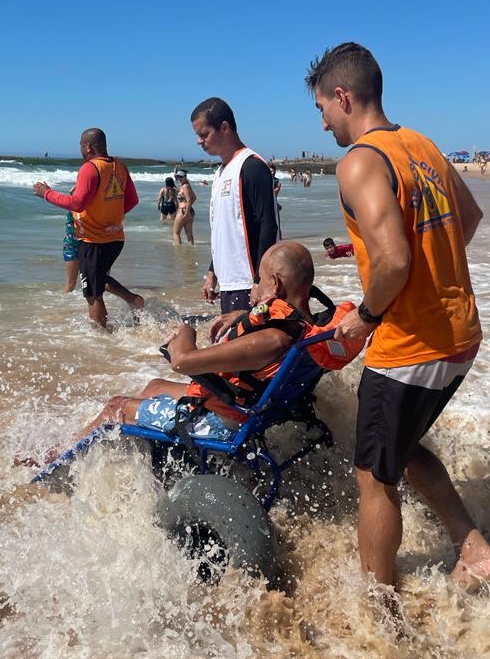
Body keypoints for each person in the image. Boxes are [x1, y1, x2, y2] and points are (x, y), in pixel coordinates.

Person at [306, 42, 490, 590]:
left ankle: (378, 603)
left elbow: (393, 259)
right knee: (405, 450)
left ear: (342, 97)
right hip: (460, 335)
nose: (323, 124)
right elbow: (468, 217)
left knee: (373, 477)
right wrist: (428, 271)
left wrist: (366, 315)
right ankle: (474, 551)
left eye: (322, 109)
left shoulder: (360, 161)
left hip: (409, 346)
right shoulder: (422, 145)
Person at [39, 242, 357, 457]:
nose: (252, 290)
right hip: (249, 405)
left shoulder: (271, 338)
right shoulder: (305, 325)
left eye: (258, 282)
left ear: (275, 284)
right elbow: (273, 321)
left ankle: (60, 459)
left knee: (117, 406)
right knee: (153, 387)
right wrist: (242, 316)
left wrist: (185, 331)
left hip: (223, 420)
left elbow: (183, 361)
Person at [32, 128, 144, 328]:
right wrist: (113, 217)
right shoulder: (119, 166)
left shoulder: (90, 168)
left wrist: (46, 193)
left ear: (89, 146)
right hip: (115, 238)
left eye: (81, 146)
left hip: (94, 241)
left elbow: (77, 203)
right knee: (99, 277)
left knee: (93, 295)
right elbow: (132, 200)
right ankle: (134, 300)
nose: (80, 150)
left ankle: (101, 337)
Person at [190, 97, 281, 313]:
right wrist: (212, 273)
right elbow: (224, 231)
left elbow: (268, 226)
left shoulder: (251, 167)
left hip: (249, 284)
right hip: (229, 283)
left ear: (224, 127)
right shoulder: (220, 172)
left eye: (204, 134)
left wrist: (261, 281)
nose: (198, 141)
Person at [172, 169, 196, 245]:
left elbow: (189, 200)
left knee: (176, 233)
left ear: (185, 177)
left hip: (183, 211)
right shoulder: (187, 185)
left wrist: (186, 211)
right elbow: (194, 198)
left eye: (181, 177)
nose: (179, 178)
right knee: (189, 234)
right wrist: (188, 208)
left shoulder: (185, 186)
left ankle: (178, 251)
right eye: (178, 177)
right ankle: (190, 251)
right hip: (188, 211)